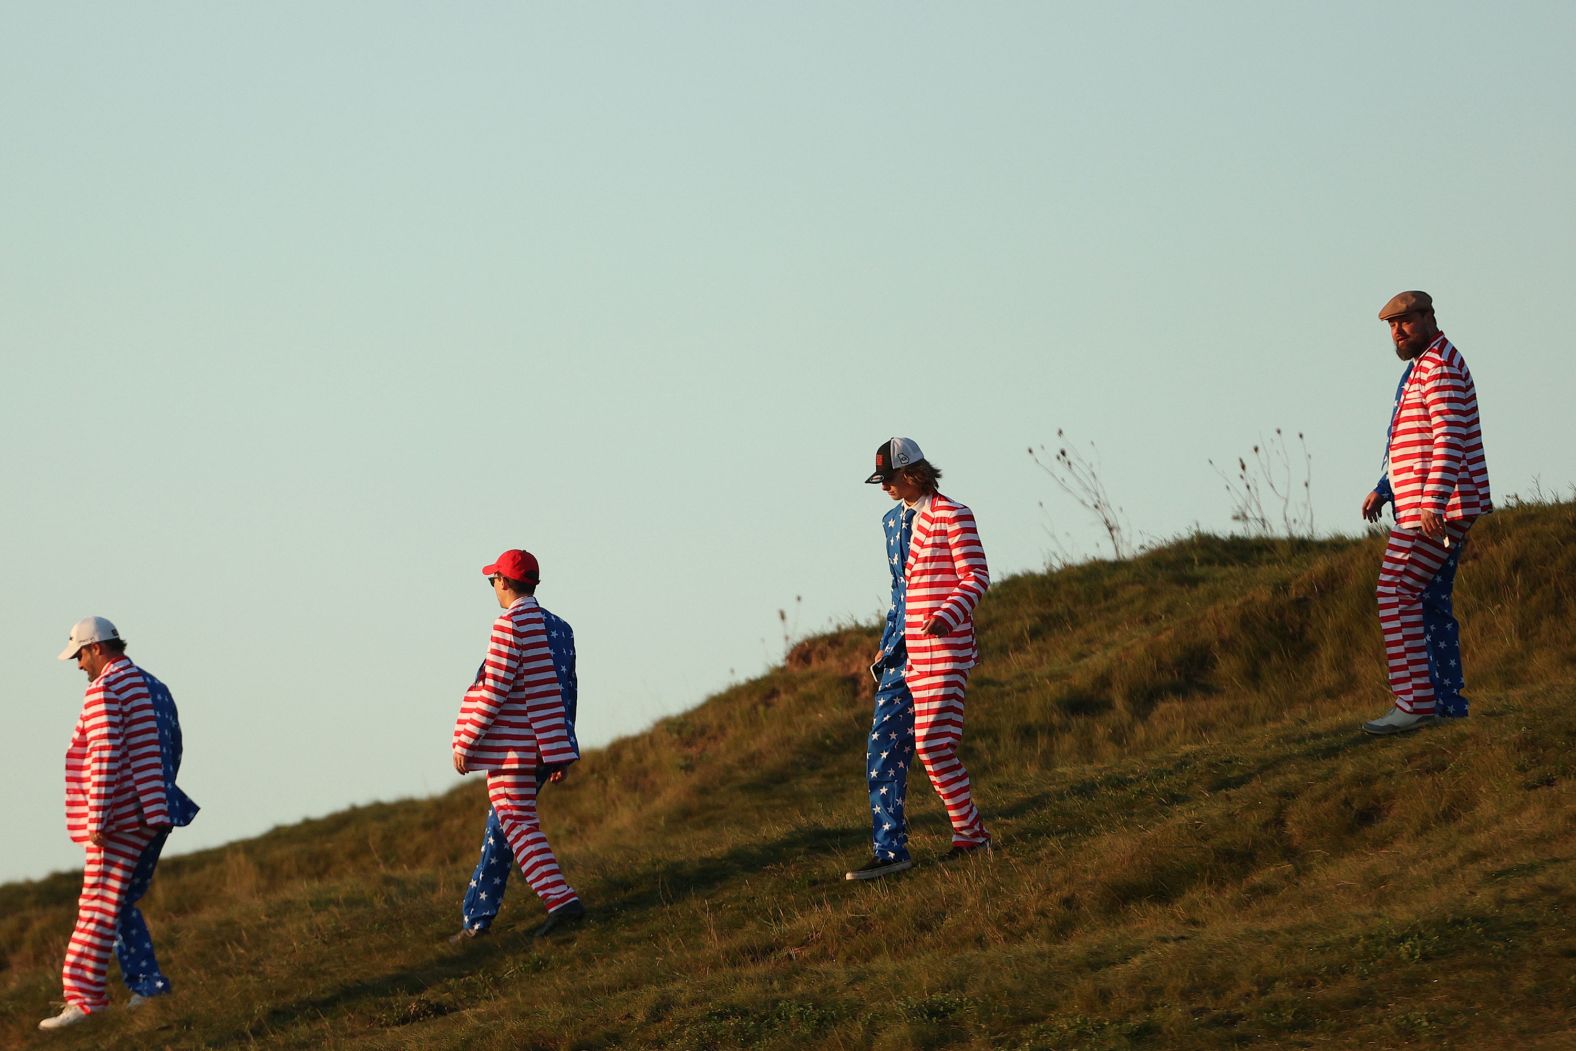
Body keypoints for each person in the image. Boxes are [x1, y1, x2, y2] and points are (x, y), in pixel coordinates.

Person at [41, 617, 198, 1031]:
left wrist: (99, 817)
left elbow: (104, 754)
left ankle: (84, 1000)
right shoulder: (155, 686)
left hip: (119, 817)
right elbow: (174, 744)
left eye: (79, 655)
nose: (78, 666)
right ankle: (149, 986)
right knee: (121, 902)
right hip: (156, 812)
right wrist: (158, 794)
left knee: (95, 905)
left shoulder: (105, 690)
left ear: (96, 649)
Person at [847, 438, 991, 881]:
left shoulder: (953, 514)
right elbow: (899, 590)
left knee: (932, 746)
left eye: (888, 478)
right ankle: (890, 852)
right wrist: (888, 638)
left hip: (942, 650)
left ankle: (970, 835)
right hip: (900, 653)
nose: (883, 487)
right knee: (882, 747)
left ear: (911, 473)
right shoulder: (891, 523)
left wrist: (947, 616)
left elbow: (976, 575)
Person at [1360, 291, 1492, 735]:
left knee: (1394, 589)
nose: (1398, 331)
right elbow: (1407, 441)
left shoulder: (1440, 368)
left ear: (1429, 318)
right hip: (1427, 504)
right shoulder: (1424, 367)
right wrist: (1385, 488)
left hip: (1433, 509)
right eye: (1392, 325)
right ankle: (1447, 705)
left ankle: (1414, 701)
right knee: (1430, 604)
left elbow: (1449, 439)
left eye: (1407, 321)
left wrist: (1433, 502)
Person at [451, 549, 585, 936]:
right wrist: (562, 748)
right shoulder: (561, 628)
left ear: (504, 583)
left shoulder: (508, 625)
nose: (493, 586)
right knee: (508, 825)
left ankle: (561, 902)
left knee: (515, 822)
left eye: (493, 579)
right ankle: (478, 920)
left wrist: (466, 740)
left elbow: (494, 687)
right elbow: (567, 689)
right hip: (548, 745)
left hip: (514, 748)